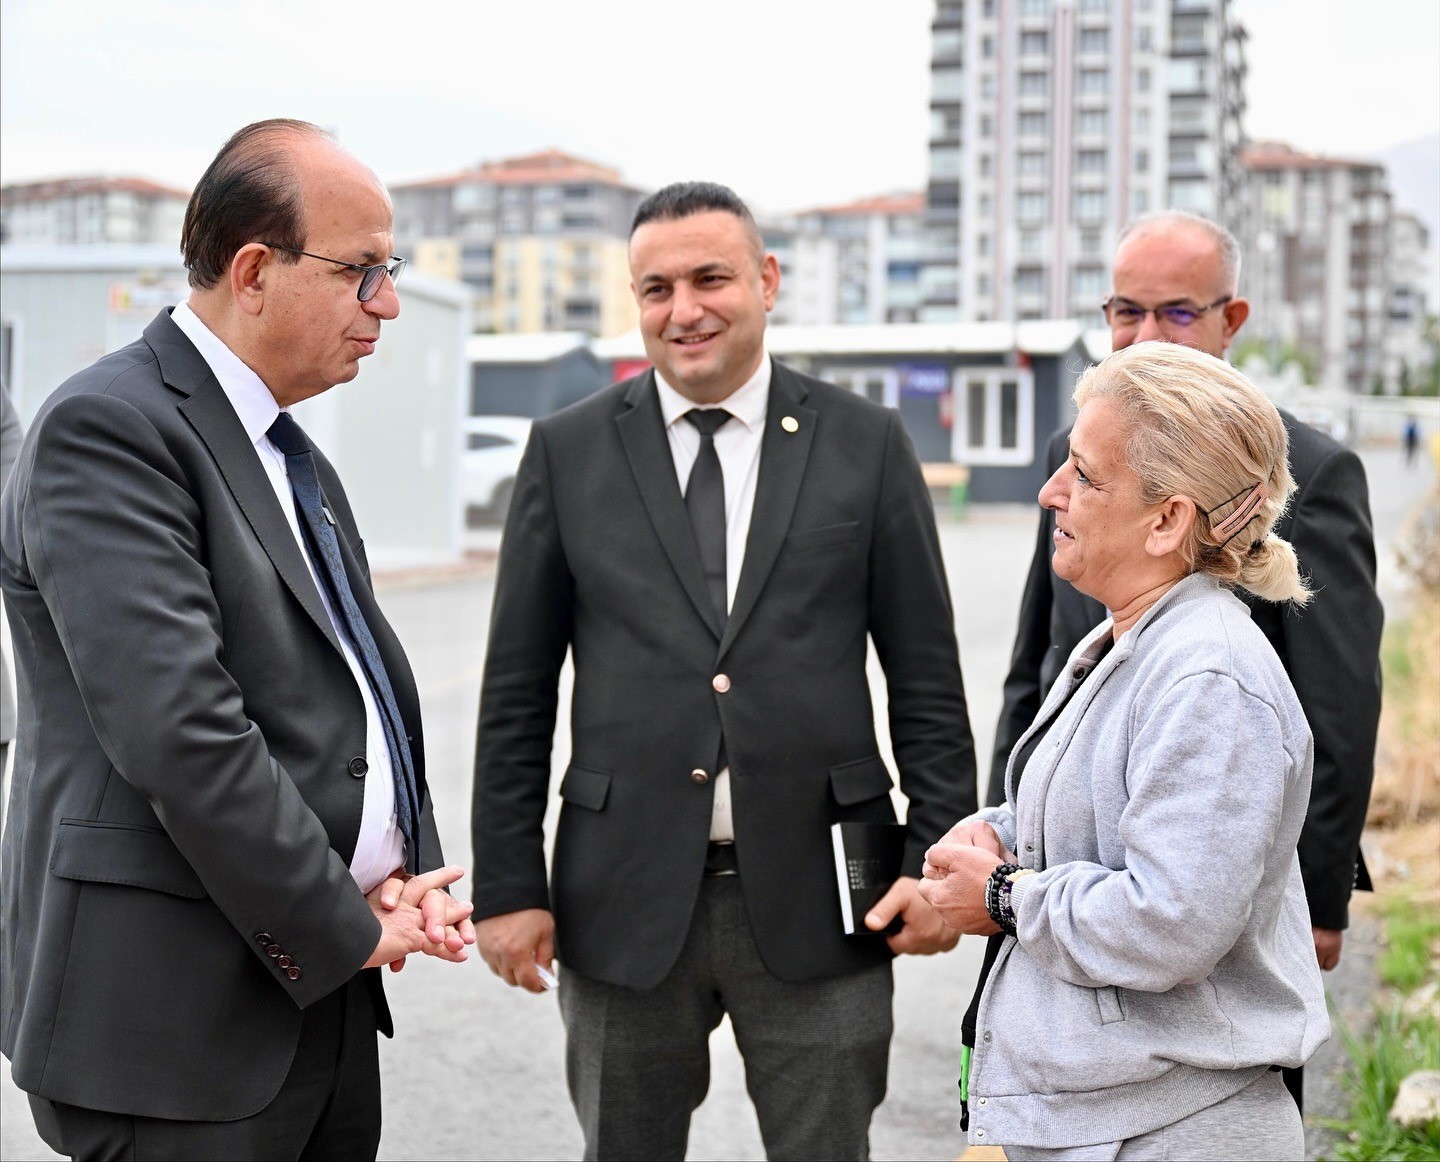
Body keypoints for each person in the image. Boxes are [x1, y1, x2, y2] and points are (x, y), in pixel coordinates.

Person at [470, 181, 976, 1160]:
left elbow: (927, 679)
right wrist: (507, 883)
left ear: (767, 279)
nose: (684, 309)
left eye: (710, 278)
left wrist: (931, 863)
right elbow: (515, 694)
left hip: (826, 898)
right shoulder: (567, 451)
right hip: (619, 899)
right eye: (655, 287)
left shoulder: (864, 443)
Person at [0, 119, 474, 1161]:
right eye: (362, 273)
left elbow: (333, 692)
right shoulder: (111, 428)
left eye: (388, 272)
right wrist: (346, 920)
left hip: (314, 996)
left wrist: (391, 872)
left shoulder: (287, 449)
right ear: (254, 270)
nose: (387, 303)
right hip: (176, 1028)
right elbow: (182, 730)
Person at [989, 211, 1381, 1110]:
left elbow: (1334, 706)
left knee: (1211, 1077)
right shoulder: (1075, 450)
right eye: (1125, 311)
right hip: (1065, 881)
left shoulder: (1305, 469)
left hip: (1211, 886)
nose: (1141, 335)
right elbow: (1043, 658)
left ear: (1230, 319)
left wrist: (1320, 900)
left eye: (1174, 314)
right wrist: (1007, 833)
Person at [921, 342, 1329, 1161]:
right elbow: (1106, 810)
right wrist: (999, 830)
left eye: (1084, 473)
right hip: (1111, 1118)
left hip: (1172, 1131)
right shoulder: (1141, 638)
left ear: (1168, 519)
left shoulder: (1210, 677)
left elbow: (1171, 920)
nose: (1050, 492)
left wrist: (1003, 897)